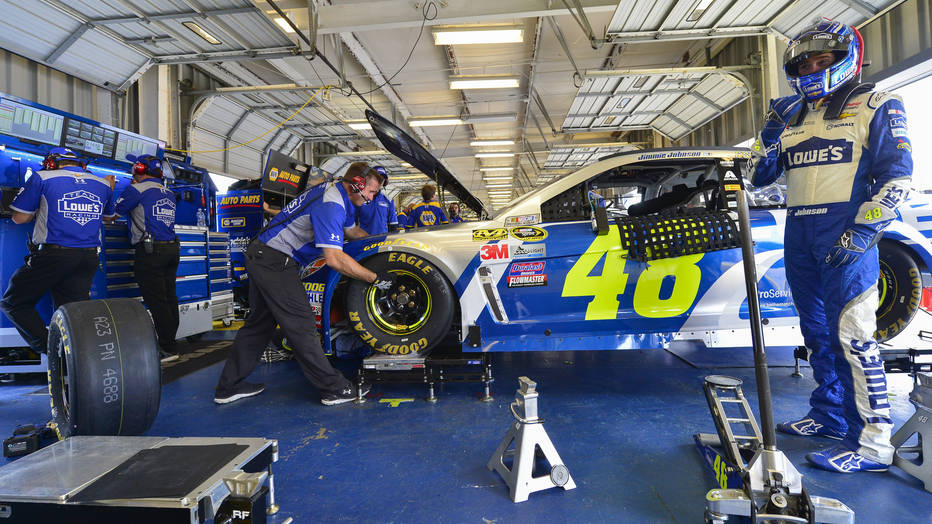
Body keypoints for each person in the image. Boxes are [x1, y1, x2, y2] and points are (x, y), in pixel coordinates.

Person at [751, 20, 912, 473]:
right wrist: (767, 137)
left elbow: (897, 176)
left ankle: (873, 446)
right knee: (816, 333)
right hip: (799, 231)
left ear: (848, 59)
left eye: (823, 60)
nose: (813, 68)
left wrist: (864, 232)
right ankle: (829, 415)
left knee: (854, 340)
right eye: (805, 62)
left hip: (847, 232)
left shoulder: (877, 103)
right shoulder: (790, 113)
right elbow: (758, 178)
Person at [214, 162, 397, 406]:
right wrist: (375, 278)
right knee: (302, 323)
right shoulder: (331, 205)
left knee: (259, 324)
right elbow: (334, 259)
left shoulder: (339, 194)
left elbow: (353, 232)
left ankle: (228, 387)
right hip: (274, 260)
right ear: (357, 184)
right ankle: (333, 388)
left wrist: (386, 244)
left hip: (264, 254)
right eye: (372, 192)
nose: (373, 198)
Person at [0, 147, 115, 355]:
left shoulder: (42, 177)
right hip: (88, 257)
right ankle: (77, 365)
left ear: (51, 163)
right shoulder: (103, 184)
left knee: (13, 303)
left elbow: (19, 218)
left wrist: (37, 209)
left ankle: (53, 350)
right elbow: (108, 217)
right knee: (73, 314)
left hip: (55, 256)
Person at [114, 155, 181, 358]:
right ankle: (170, 343)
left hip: (151, 252)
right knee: (169, 298)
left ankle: (166, 348)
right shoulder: (168, 192)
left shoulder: (137, 190)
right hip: (171, 250)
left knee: (158, 300)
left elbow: (114, 213)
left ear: (139, 169)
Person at [356, 166, 399, 235]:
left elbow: (393, 225)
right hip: (363, 241)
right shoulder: (359, 198)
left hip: (382, 242)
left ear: (385, 182)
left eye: (382, 179)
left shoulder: (388, 200)